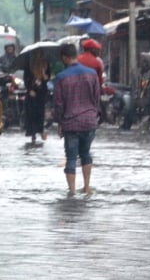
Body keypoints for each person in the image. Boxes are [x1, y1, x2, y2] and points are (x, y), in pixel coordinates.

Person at [50, 42, 100, 197]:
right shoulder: (92, 73)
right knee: (86, 154)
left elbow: (58, 104)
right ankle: (86, 187)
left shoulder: (60, 78)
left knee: (71, 157)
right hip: (90, 121)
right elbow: (96, 97)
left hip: (71, 123)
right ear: (76, 55)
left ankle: (71, 192)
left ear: (65, 58)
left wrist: (59, 122)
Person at [22, 50, 50, 145]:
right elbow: (26, 78)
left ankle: (40, 130)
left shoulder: (46, 64)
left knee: (40, 113)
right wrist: (29, 89)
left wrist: (44, 75)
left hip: (41, 93)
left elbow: (47, 78)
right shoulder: (29, 65)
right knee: (31, 113)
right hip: (32, 93)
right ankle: (32, 132)